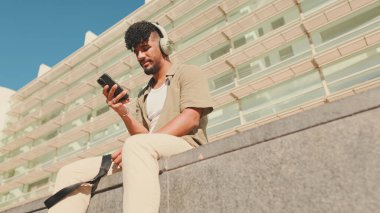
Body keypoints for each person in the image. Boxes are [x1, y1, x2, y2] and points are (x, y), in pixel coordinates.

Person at [47, 20, 213, 213]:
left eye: (145, 48)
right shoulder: (144, 94)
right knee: (70, 172)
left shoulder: (188, 72)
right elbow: (141, 135)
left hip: (185, 145)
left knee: (134, 145)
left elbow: (190, 118)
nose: (140, 56)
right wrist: (122, 112)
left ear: (164, 45)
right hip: (145, 150)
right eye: (136, 52)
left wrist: (138, 145)